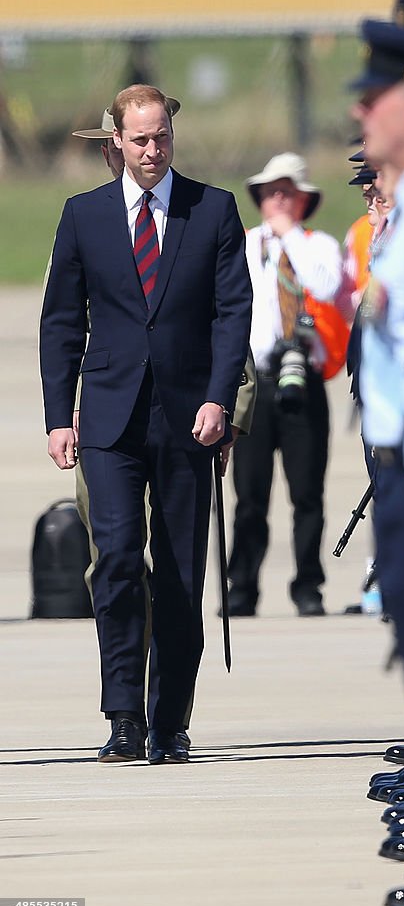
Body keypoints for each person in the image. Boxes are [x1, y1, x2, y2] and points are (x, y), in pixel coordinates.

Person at [40, 84, 252, 765]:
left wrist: (221, 399)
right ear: (118, 144)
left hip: (190, 418)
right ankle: (123, 715)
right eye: (139, 139)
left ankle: (170, 721)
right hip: (108, 417)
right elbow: (61, 323)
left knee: (182, 575)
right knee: (119, 563)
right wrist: (56, 418)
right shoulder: (84, 216)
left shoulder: (212, 210)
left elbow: (232, 315)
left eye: (161, 137)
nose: (152, 149)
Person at [225, 153, 342, 618]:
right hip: (255, 381)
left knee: (307, 493)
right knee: (249, 495)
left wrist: (290, 234)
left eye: (287, 191)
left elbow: (327, 285)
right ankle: (242, 587)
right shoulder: (245, 244)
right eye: (270, 191)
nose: (277, 199)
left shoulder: (317, 244)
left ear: (301, 199)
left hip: (303, 380)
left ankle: (308, 586)